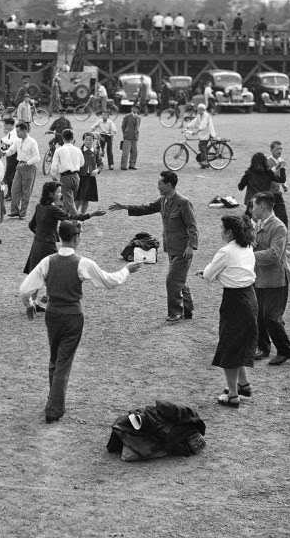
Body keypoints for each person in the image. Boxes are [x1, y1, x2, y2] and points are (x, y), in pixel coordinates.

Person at [19, 220, 140, 423]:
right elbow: (110, 281)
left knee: (54, 358)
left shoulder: (48, 261)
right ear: (76, 238)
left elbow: (24, 289)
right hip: (72, 316)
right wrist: (127, 269)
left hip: (52, 315)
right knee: (63, 363)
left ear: (60, 237)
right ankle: (54, 408)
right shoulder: (83, 263)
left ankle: (53, 398)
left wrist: (30, 304)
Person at [109, 170, 199, 321]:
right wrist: (125, 207)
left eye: (160, 183)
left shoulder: (183, 202)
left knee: (172, 280)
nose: (158, 186)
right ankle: (188, 310)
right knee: (179, 280)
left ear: (169, 184)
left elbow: (192, 226)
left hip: (183, 250)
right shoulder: (163, 201)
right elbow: (146, 208)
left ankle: (176, 312)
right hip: (172, 249)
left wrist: (191, 246)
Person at [197, 213, 257, 408]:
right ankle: (243, 384)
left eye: (222, 228)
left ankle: (232, 395)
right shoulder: (247, 246)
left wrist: (207, 273)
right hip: (250, 296)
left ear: (229, 231)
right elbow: (236, 272)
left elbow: (208, 275)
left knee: (229, 345)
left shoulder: (226, 251)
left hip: (235, 301)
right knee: (239, 341)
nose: (220, 231)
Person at [23, 182, 106, 310]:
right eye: (58, 192)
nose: (60, 194)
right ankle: (48, 297)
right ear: (51, 194)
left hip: (37, 244)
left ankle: (34, 302)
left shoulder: (40, 206)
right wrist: (91, 214)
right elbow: (72, 217)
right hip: (47, 245)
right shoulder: (53, 209)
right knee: (55, 272)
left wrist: (40, 234)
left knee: (37, 272)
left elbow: (31, 225)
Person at [250, 194, 290, 365]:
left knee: (271, 316)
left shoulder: (278, 227)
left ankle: (285, 350)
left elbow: (274, 255)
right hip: (261, 278)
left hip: (276, 280)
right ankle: (263, 347)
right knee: (259, 314)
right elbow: (256, 243)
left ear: (262, 206)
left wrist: (249, 255)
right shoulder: (260, 224)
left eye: (254, 206)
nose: (252, 209)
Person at [9, 122, 41, 218]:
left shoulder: (32, 142)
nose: (17, 134)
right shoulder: (18, 141)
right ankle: (14, 210)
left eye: (18, 132)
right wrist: (3, 152)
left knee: (26, 191)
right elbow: (11, 150)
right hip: (19, 166)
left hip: (28, 167)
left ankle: (22, 213)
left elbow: (37, 157)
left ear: (24, 131)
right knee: (14, 189)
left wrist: (26, 164)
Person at [50, 128, 84, 214]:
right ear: (72, 138)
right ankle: (65, 220)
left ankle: (78, 220)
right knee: (68, 201)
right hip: (76, 176)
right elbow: (82, 164)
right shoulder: (78, 150)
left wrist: (53, 176)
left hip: (65, 177)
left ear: (62, 138)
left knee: (69, 202)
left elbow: (54, 166)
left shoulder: (59, 150)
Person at [77, 131, 101, 215]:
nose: (88, 142)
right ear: (83, 140)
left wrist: (96, 170)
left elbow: (100, 164)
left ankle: (82, 217)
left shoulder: (96, 151)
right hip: (79, 178)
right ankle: (74, 217)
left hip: (90, 178)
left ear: (93, 141)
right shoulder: (79, 151)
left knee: (86, 199)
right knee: (78, 199)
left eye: (90, 140)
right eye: (86, 140)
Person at [266, 140, 289, 225]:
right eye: (277, 149)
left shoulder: (281, 160)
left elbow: (281, 176)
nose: (280, 151)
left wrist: (284, 185)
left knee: (283, 218)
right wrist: (278, 166)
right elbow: (267, 176)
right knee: (266, 218)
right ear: (271, 150)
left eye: (281, 149)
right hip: (267, 194)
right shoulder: (267, 162)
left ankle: (283, 237)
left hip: (277, 193)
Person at [119, 105, 141, 170]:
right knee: (125, 152)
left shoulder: (138, 117)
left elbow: (138, 127)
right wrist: (125, 132)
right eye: (134, 108)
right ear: (131, 108)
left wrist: (136, 134)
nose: (135, 109)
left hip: (135, 137)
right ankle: (123, 166)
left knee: (134, 152)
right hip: (127, 136)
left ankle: (132, 165)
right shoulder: (127, 116)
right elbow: (123, 126)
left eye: (136, 108)